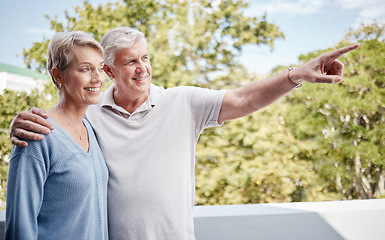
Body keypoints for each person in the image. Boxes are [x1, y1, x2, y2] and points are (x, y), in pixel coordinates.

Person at [8, 27, 359, 240]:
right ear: (111, 71)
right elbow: (60, 115)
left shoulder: (183, 102)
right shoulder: (92, 115)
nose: (142, 68)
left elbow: (242, 98)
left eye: (145, 58)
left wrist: (296, 74)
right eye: (130, 61)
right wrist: (20, 120)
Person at [5, 31, 108, 239]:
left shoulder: (92, 127)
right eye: (85, 69)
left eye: (100, 68)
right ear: (58, 75)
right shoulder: (36, 136)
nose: (97, 77)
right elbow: (20, 228)